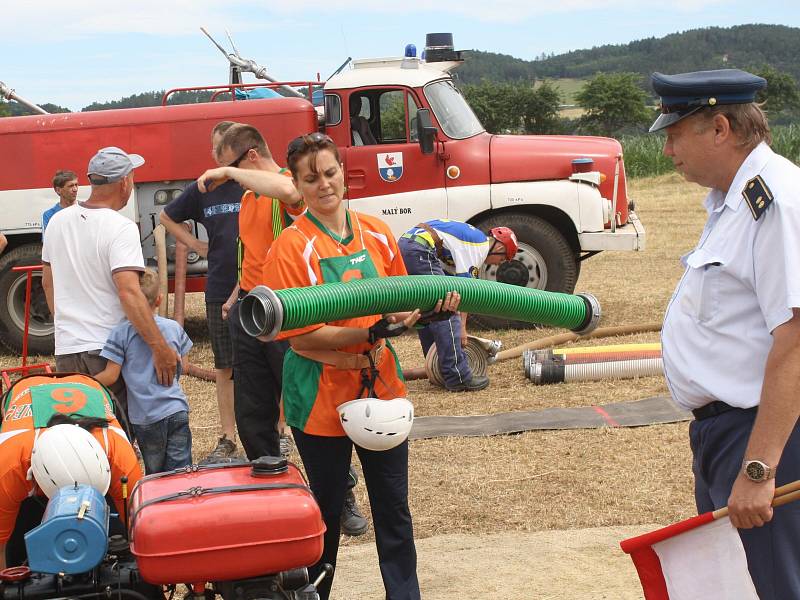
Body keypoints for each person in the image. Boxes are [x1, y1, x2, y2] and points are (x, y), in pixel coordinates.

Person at [259, 132, 460, 599]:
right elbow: (301, 335)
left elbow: (396, 305)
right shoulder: (291, 247)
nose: (324, 185)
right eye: (311, 178)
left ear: (342, 175)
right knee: (325, 514)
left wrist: (427, 310)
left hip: (380, 385)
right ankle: (315, 593)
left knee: (394, 508)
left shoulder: (375, 231)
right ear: (296, 184)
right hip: (319, 390)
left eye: (330, 173)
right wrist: (368, 334)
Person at [653, 69, 800, 599]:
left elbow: (797, 340)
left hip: (765, 434)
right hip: (727, 432)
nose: (668, 151)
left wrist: (759, 469)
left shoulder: (776, 202)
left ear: (719, 128)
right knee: (743, 583)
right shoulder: (731, 201)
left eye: (674, 134)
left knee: (777, 583)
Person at [197, 125, 370, 537]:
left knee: (308, 411)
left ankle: (341, 496)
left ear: (251, 157)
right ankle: (270, 497)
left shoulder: (285, 193)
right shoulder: (247, 202)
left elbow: (290, 192)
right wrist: (236, 295)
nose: (226, 175)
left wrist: (231, 174)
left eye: (231, 166)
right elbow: (253, 255)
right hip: (252, 315)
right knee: (252, 413)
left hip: (291, 317)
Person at [41, 147, 177, 418]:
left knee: (79, 440)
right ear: (125, 182)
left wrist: (65, 323)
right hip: (108, 350)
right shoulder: (121, 227)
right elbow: (129, 292)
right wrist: (160, 347)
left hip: (67, 349)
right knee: (116, 436)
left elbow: (48, 282)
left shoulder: (57, 221)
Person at [0, 373, 142, 569]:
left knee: (120, 530)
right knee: (18, 544)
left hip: (89, 384)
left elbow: (140, 532)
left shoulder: (120, 459)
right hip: (25, 391)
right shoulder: (9, 467)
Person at [160, 121, 241, 462]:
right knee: (225, 365)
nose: (216, 153)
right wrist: (195, 244)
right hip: (220, 285)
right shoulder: (203, 188)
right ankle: (228, 437)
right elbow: (166, 217)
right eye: (214, 147)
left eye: (221, 147)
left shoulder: (252, 184)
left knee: (270, 364)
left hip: (261, 283)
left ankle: (278, 431)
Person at [398, 219, 518, 391]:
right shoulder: (479, 247)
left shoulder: (468, 240)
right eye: (503, 259)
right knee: (447, 309)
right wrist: (462, 328)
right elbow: (463, 292)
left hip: (407, 244)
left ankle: (436, 368)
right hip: (420, 249)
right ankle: (458, 377)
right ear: (499, 248)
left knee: (429, 309)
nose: (499, 264)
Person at [94, 268, 192, 475]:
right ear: (159, 300)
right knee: (182, 474)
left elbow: (111, 376)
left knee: (156, 475)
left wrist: (82, 382)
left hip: (146, 418)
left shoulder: (121, 333)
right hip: (177, 410)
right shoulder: (173, 328)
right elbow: (184, 365)